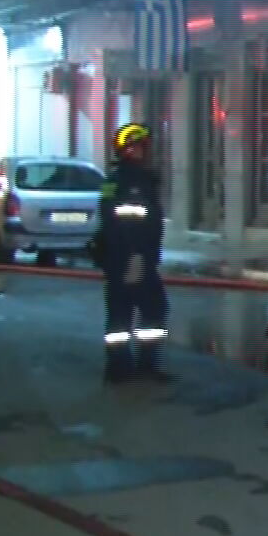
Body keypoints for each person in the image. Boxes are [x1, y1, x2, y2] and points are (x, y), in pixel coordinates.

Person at [95, 122, 170, 384]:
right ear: (127, 150)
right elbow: (115, 220)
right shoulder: (122, 182)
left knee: (147, 310)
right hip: (127, 258)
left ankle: (137, 365)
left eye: (144, 147)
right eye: (138, 147)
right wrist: (133, 256)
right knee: (127, 314)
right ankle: (122, 367)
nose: (143, 152)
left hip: (138, 258)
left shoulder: (136, 180)